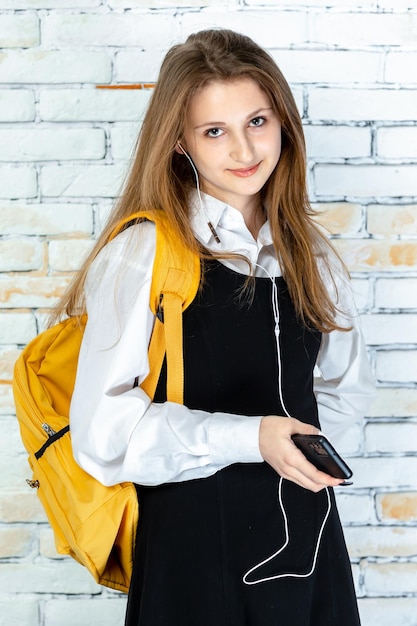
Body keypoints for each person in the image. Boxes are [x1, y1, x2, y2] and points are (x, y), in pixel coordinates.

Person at [61, 29, 374, 625]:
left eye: (257, 120)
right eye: (214, 131)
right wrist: (251, 438)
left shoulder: (313, 256)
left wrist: (302, 456)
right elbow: (104, 436)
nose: (243, 148)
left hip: (309, 554)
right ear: (179, 144)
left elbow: (345, 393)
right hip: (192, 563)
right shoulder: (144, 252)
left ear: (282, 119)